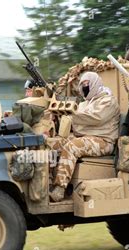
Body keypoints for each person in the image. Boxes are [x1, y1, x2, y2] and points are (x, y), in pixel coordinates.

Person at [46, 71, 120, 202]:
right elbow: (78, 125)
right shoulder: (84, 103)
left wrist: (72, 114)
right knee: (51, 144)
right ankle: (47, 182)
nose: (85, 87)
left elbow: (96, 118)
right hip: (85, 138)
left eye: (87, 84)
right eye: (82, 84)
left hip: (103, 141)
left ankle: (59, 189)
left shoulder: (108, 100)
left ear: (96, 84)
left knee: (72, 147)